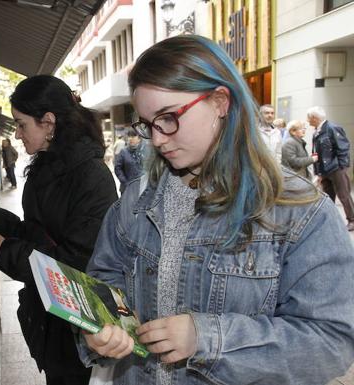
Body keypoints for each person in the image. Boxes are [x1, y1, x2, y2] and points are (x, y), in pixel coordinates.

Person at [80, 35, 354, 385]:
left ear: (220, 102)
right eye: (148, 125)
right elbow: (105, 279)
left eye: (168, 118)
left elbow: (330, 343)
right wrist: (102, 326)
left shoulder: (298, 212)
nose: (158, 139)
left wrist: (206, 338)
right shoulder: (135, 199)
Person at [0, 75, 118, 385]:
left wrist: (7, 248)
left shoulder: (92, 177)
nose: (18, 134)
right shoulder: (47, 164)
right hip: (51, 321)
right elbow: (41, 232)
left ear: (48, 123)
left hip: (77, 330)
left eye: (22, 124)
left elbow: (75, 265)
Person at [309, 106, 354, 231]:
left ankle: (352, 220)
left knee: (343, 195)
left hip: (336, 168)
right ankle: (330, 220)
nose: (308, 121)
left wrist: (341, 167)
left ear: (314, 118)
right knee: (328, 197)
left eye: (309, 118)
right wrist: (318, 172)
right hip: (324, 170)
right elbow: (316, 153)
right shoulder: (317, 132)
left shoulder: (332, 128)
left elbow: (343, 148)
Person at [113, 129, 151, 193]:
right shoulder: (123, 152)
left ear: (139, 138)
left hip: (142, 188)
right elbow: (117, 168)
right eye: (129, 136)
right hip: (127, 188)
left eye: (133, 136)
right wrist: (125, 182)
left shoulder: (146, 150)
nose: (130, 138)